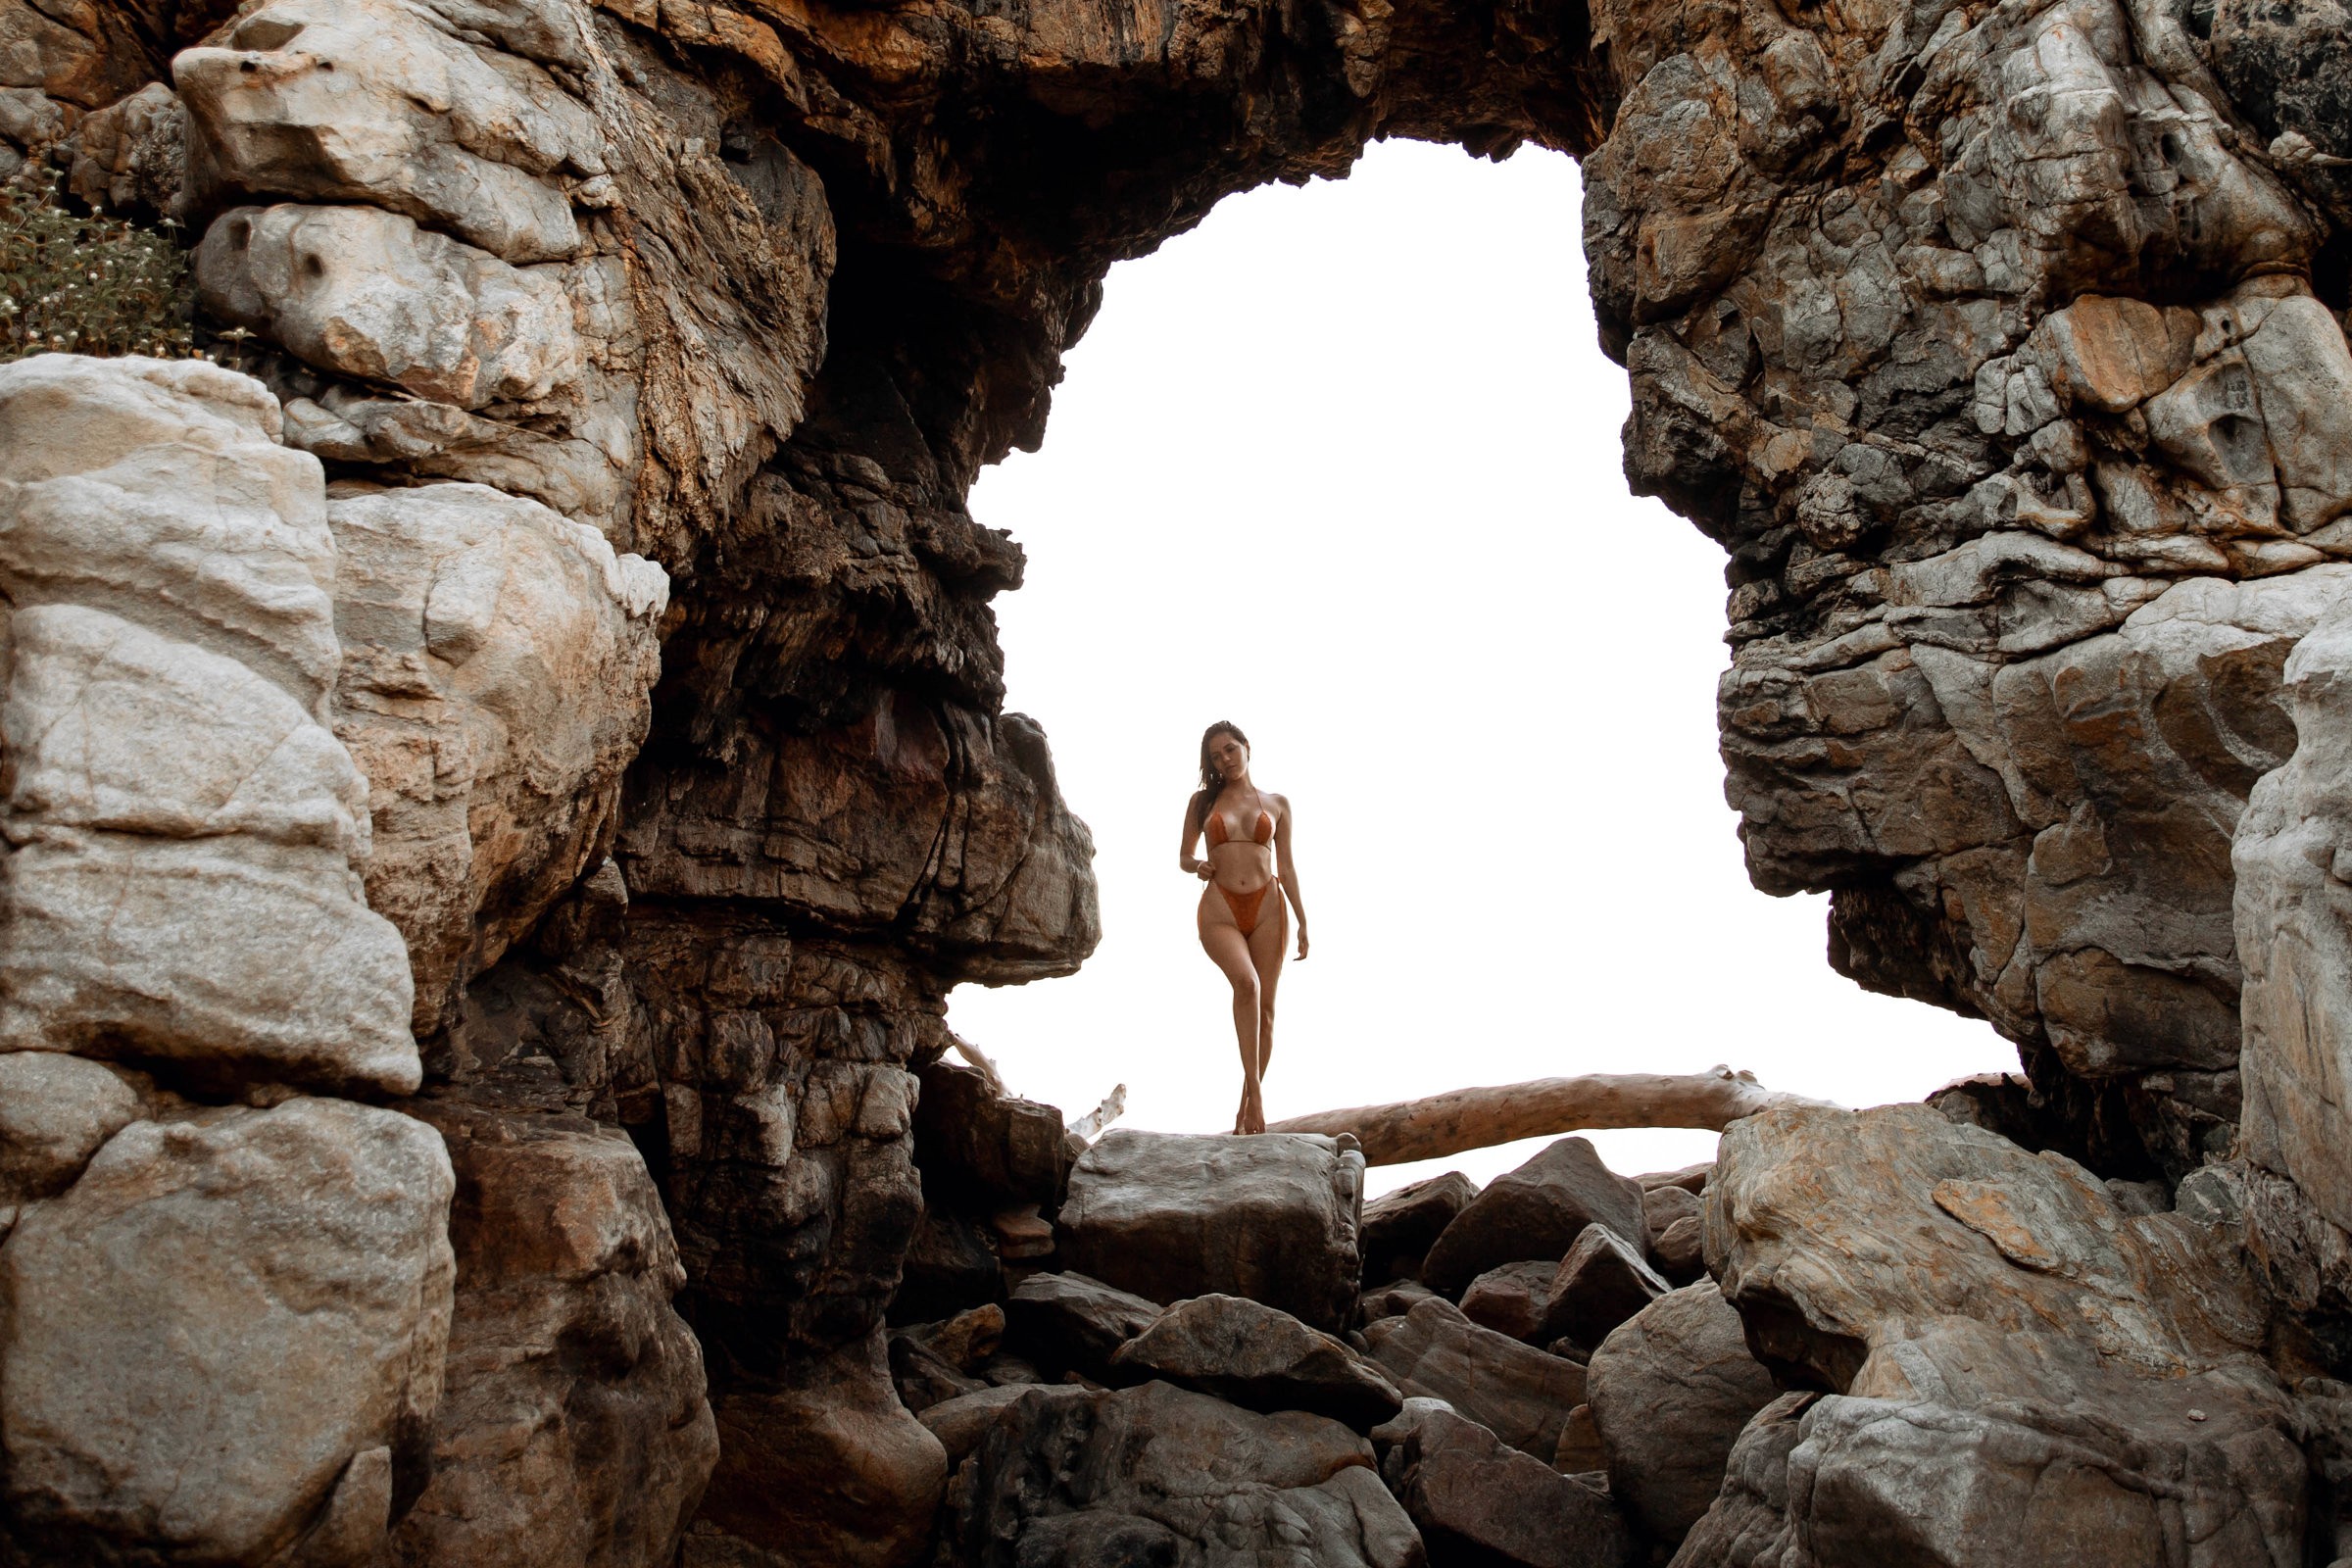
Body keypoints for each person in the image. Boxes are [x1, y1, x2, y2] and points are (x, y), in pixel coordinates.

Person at [1177, 720, 1308, 1135]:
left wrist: (1303, 920)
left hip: (1270, 907)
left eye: (1230, 750)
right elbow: (1184, 855)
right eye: (1216, 756)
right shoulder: (1202, 803)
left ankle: (1243, 1115)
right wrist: (1198, 865)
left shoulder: (1279, 803)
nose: (1225, 760)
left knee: (1266, 1013)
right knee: (1246, 985)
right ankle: (1257, 1097)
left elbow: (1285, 867)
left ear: (1247, 748)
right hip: (1220, 910)